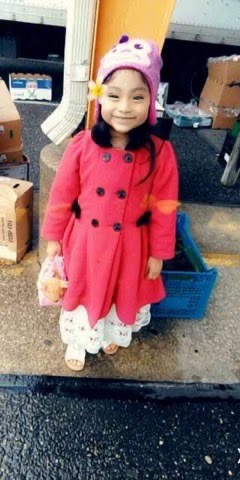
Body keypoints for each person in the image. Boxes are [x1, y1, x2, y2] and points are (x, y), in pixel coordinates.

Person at [41, 35, 179, 371]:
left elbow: (164, 207)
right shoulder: (82, 144)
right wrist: (54, 237)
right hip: (86, 240)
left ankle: (107, 334)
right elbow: (62, 195)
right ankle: (78, 339)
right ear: (99, 97)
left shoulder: (160, 152)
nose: (124, 107)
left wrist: (159, 254)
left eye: (137, 97)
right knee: (83, 290)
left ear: (151, 102)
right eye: (114, 95)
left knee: (120, 291)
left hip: (131, 243)